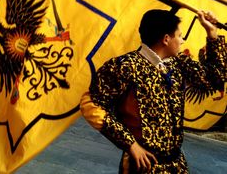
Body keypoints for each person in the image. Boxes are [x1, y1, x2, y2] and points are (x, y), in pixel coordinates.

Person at [80, 9, 226, 173]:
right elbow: (91, 105)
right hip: (143, 165)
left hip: (176, 164)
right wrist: (130, 144)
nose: (182, 41)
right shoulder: (124, 66)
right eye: (179, 36)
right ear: (166, 39)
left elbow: (216, 79)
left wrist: (212, 32)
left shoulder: (178, 62)